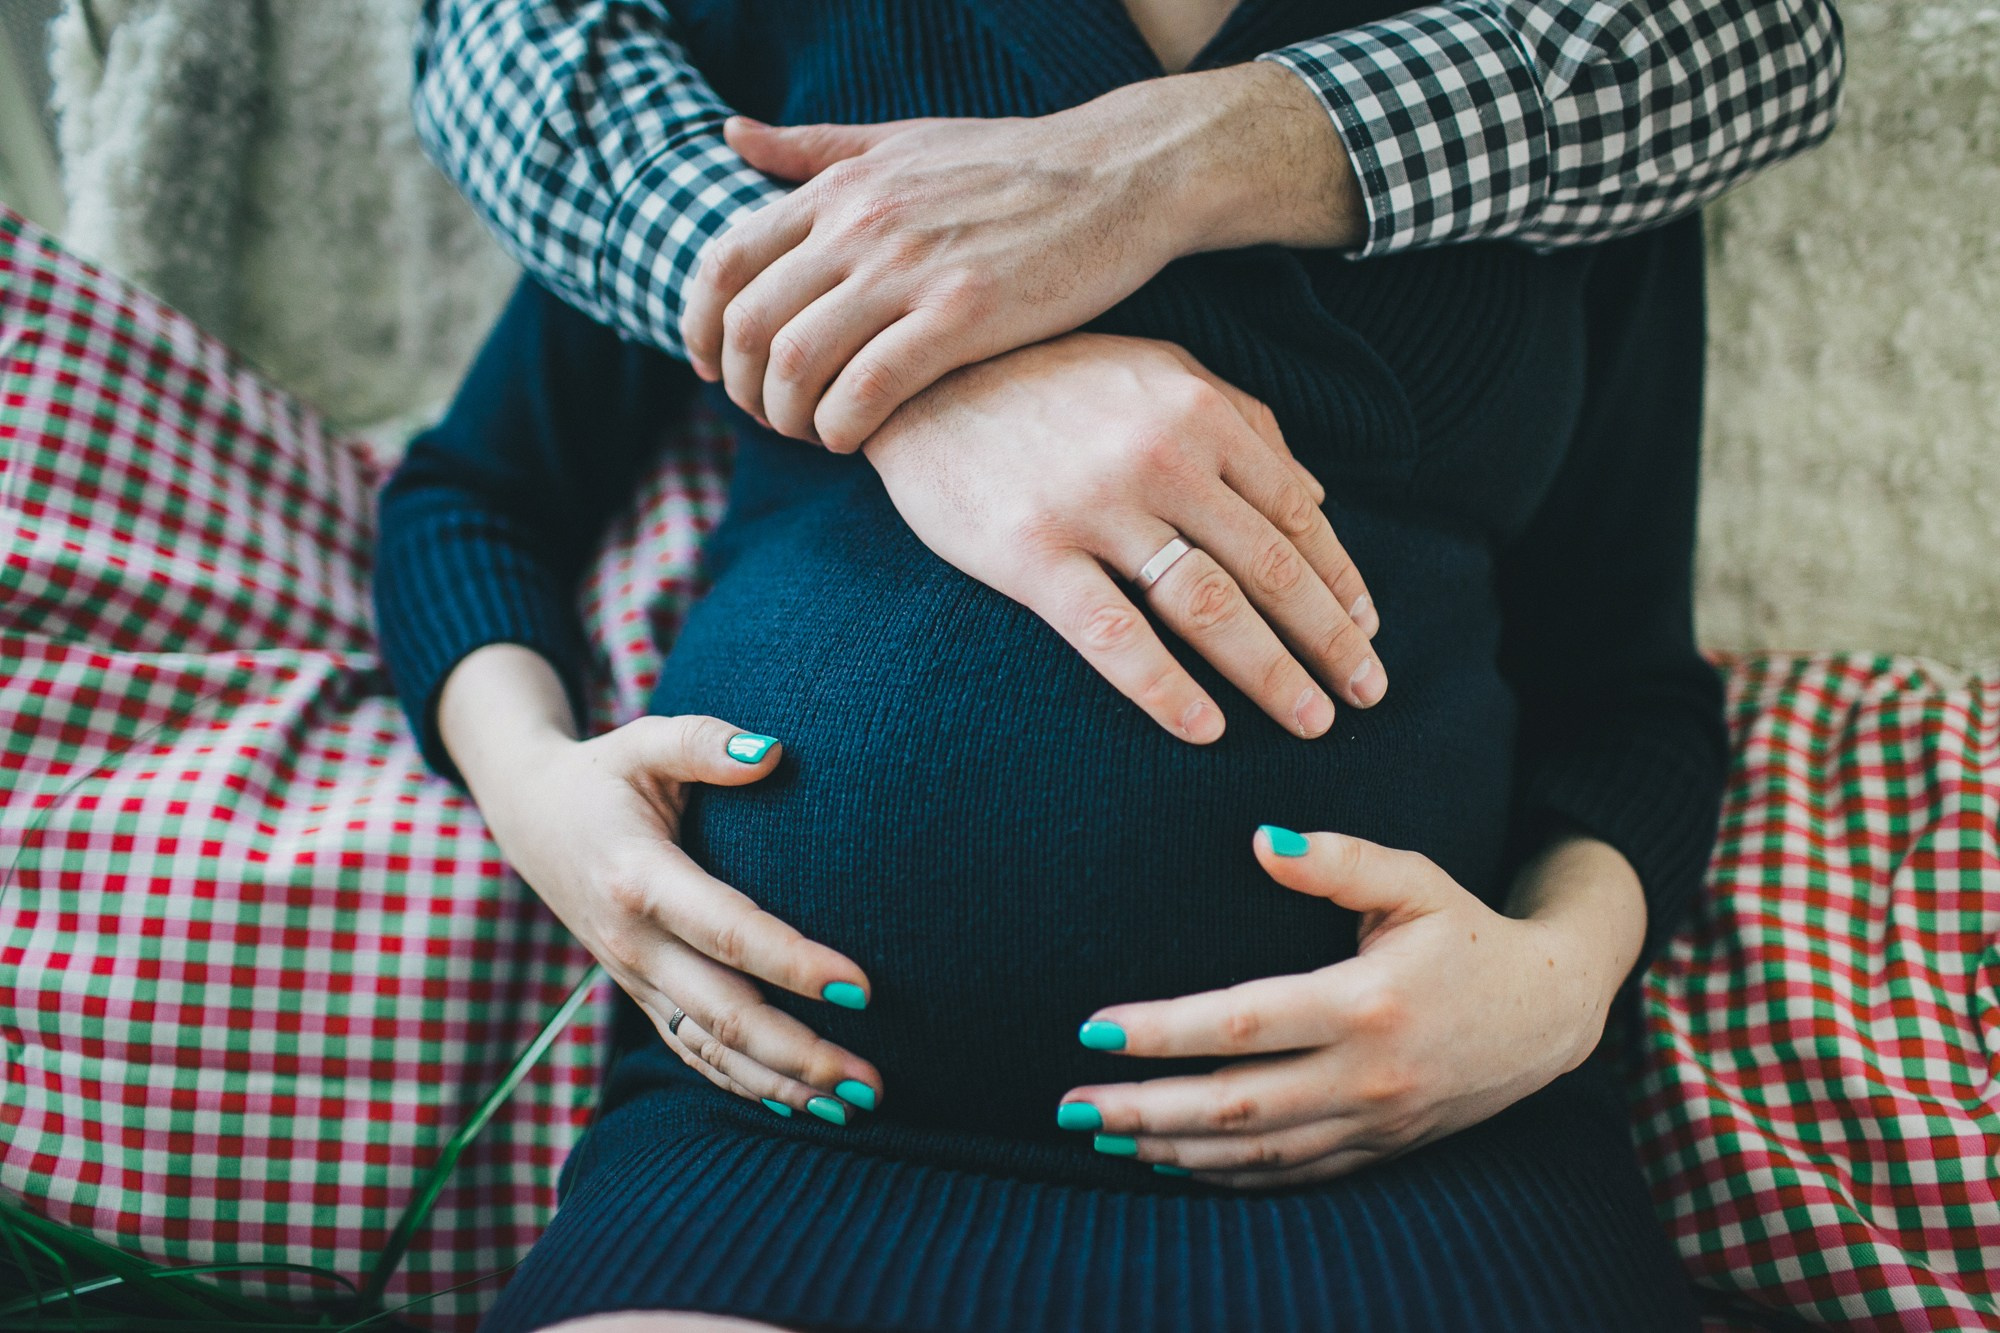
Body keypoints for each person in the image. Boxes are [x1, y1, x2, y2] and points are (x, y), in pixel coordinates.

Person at [376, 3, 1839, 1330]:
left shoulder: (1572, 90)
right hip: (776, 1156)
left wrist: (1557, 979)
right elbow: (473, 499)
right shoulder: (765, 55)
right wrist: (540, 792)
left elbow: (1626, 693)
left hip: (1411, 1173)